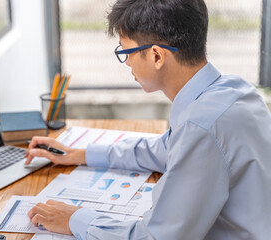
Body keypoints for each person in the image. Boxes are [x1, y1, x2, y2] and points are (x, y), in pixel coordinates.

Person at [25, 0, 271, 239]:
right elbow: (162, 149)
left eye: (126, 51)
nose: (127, 62)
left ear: (156, 56)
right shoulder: (236, 90)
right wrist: (79, 155)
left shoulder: (201, 126)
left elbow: (156, 237)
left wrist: (74, 218)